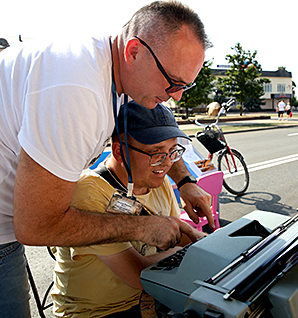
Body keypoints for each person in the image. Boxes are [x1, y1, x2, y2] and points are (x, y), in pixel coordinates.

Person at [0, 0, 213, 316]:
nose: (177, 95)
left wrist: (184, 181)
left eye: (185, 84)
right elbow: (35, 226)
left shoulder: (121, 70)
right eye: (173, 82)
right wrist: (140, 228)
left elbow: (160, 129)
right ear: (133, 51)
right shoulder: (77, 91)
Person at [52, 101, 206, 317]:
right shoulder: (90, 192)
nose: (166, 163)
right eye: (155, 153)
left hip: (149, 299)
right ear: (119, 151)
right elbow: (137, 274)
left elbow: (177, 236)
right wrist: (181, 254)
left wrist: (213, 243)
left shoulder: (158, 182)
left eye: (172, 151)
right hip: (98, 312)